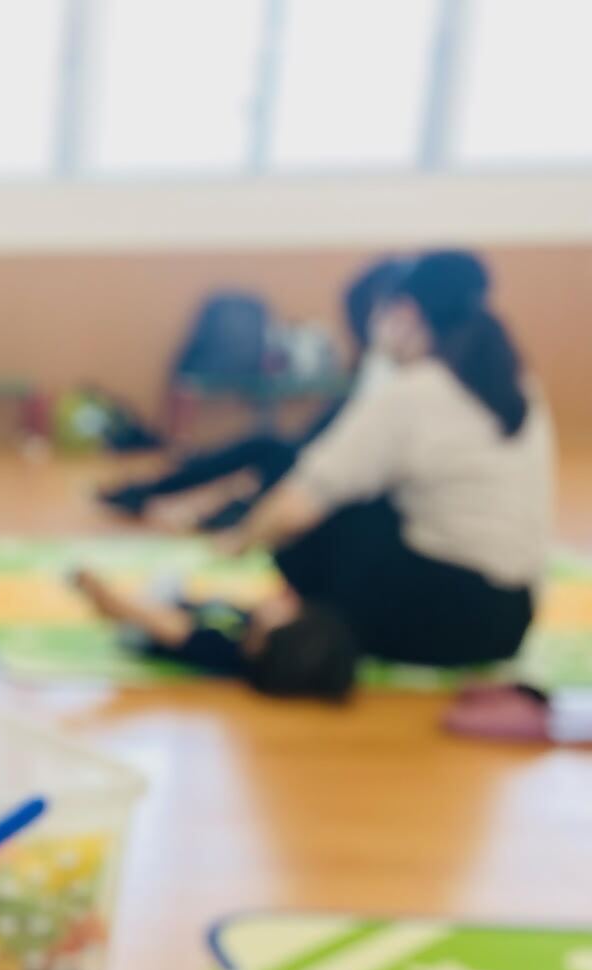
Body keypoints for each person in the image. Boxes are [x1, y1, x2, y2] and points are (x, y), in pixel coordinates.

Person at [76, 250, 554, 695]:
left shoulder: (415, 392)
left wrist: (237, 542)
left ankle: (185, 626)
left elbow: (297, 504)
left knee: (297, 499)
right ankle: (222, 618)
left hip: (439, 622)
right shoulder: (519, 387)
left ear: (405, 313)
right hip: (510, 622)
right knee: (332, 496)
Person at [98, 257, 406, 532]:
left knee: (274, 453)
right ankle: (161, 493)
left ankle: (227, 511)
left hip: (332, 472)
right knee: (267, 447)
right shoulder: (379, 361)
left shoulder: (405, 375)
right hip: (315, 458)